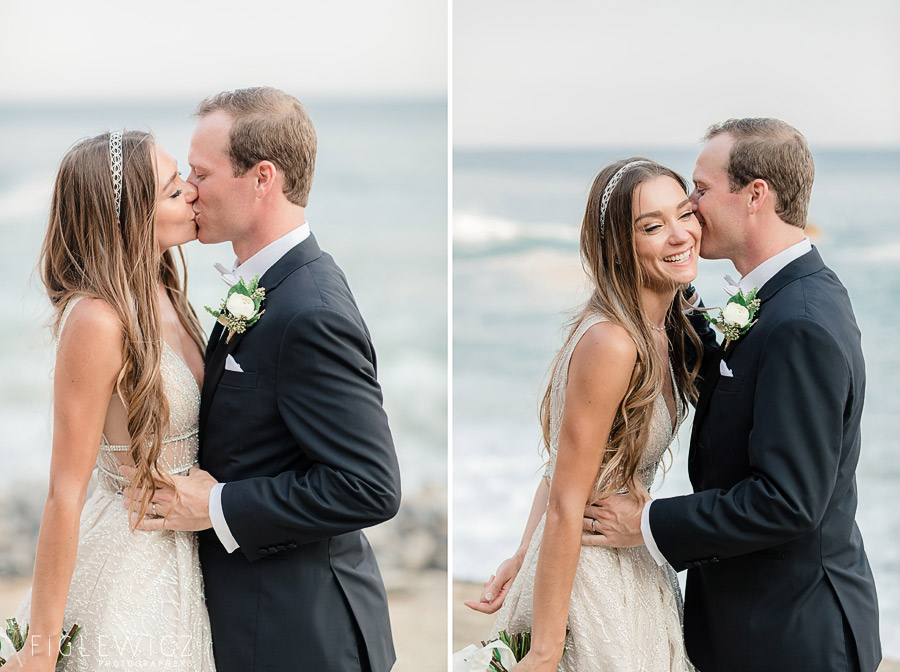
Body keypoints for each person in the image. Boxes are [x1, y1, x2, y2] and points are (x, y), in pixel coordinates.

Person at [121, 87, 402, 672]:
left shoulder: (311, 309)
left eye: (201, 172)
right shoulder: (265, 284)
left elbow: (370, 486)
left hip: (299, 635)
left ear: (261, 177)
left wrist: (219, 504)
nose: (189, 189)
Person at [585, 119, 882, 671]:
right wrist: (663, 288)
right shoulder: (784, 298)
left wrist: (647, 524)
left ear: (754, 195)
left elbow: (786, 501)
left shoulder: (800, 323)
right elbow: (736, 390)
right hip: (757, 623)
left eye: (700, 189)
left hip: (790, 637)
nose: (692, 208)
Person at [466, 158, 706, 671]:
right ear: (620, 244)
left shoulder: (670, 329)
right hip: (592, 581)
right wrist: (548, 650)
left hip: (634, 568)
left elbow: (562, 471)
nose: (679, 235)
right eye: (652, 226)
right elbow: (567, 496)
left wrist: (523, 553)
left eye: (684, 214)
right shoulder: (613, 342)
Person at [2, 130, 214, 671]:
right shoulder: (97, 320)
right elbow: (64, 491)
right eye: (172, 191)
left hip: (191, 556)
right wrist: (42, 648)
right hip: (129, 569)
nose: (191, 191)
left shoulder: (167, 291)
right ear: (128, 220)